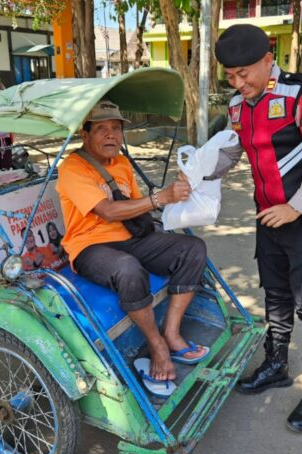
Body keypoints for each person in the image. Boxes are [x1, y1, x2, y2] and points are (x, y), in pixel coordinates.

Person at [212, 24, 302, 433]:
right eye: (230, 76)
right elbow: (233, 151)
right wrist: (196, 177)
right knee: (275, 293)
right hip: (267, 215)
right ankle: (276, 363)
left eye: (244, 73)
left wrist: (297, 208)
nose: (238, 83)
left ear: (268, 59)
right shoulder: (239, 105)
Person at [56, 100, 209, 384]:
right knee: (128, 269)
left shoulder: (122, 163)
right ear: (85, 135)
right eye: (101, 129)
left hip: (131, 238)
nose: (111, 135)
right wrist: (160, 197)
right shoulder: (72, 168)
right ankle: (156, 344)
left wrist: (179, 196)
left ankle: (172, 334)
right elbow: (108, 211)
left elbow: (138, 207)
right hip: (89, 246)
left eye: (116, 128)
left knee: (193, 249)